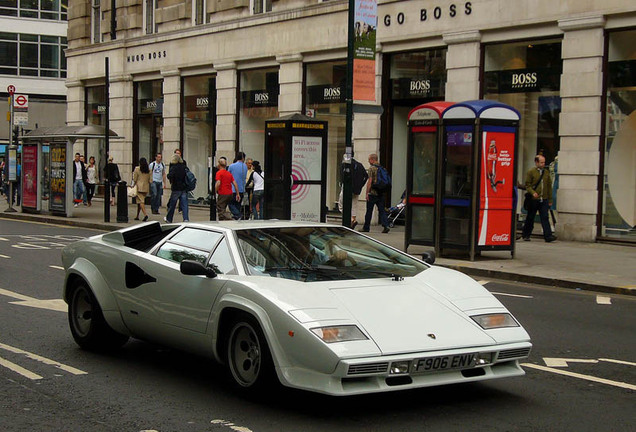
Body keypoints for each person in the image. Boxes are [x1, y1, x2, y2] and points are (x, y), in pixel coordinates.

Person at [521, 154, 556, 242]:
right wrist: (533, 193)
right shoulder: (531, 172)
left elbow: (549, 187)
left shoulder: (546, 172)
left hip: (544, 198)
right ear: (536, 162)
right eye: (541, 162)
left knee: (544, 217)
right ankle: (526, 234)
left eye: (544, 162)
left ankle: (548, 236)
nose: (543, 164)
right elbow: (527, 185)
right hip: (534, 199)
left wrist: (550, 199)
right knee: (531, 217)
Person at [338, 152, 368, 229]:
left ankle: (349, 219)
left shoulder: (345, 165)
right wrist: (360, 185)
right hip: (356, 189)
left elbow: (343, 176)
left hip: (347, 187)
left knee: (341, 204)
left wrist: (342, 183)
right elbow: (366, 175)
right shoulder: (359, 165)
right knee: (354, 205)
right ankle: (353, 219)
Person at [362, 153, 390, 233]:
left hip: (373, 193)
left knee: (369, 211)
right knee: (381, 210)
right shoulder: (382, 168)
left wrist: (367, 192)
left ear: (372, 159)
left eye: (369, 159)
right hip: (380, 193)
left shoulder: (372, 168)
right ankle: (386, 225)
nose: (368, 161)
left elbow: (370, 181)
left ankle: (366, 227)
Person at [165, 153, 189, 223]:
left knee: (172, 205)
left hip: (176, 188)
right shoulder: (184, 167)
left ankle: (169, 219)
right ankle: (186, 218)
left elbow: (170, 176)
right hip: (184, 187)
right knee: (184, 205)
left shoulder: (174, 168)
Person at [227, 151, 248, 220]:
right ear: (243, 158)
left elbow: (228, 176)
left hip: (233, 189)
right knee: (238, 204)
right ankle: (237, 217)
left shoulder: (232, 166)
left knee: (230, 203)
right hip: (242, 189)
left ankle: (238, 215)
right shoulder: (245, 166)